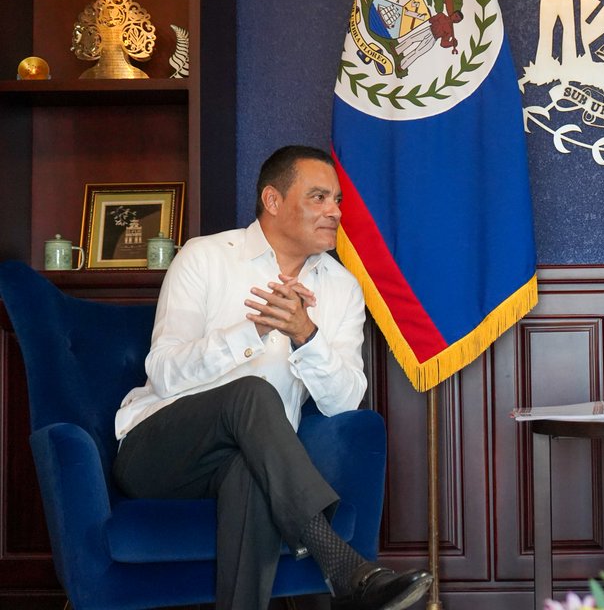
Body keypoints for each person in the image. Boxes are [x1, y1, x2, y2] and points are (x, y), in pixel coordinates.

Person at [112, 145, 433, 610]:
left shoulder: (341, 289)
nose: (335, 212)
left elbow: (344, 402)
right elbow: (163, 372)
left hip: (248, 462)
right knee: (251, 393)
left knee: (250, 471)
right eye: (319, 198)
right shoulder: (203, 258)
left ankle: (337, 573)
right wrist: (254, 330)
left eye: (338, 200)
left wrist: (306, 335)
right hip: (158, 452)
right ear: (273, 200)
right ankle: (341, 563)